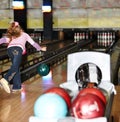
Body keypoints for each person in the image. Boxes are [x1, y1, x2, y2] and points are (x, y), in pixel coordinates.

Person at [0, 21, 46, 93]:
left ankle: (17, 86)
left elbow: (2, 40)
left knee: (16, 67)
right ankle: (5, 79)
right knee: (15, 67)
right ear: (20, 28)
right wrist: (40, 48)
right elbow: (33, 43)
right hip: (17, 50)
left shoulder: (12, 35)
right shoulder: (25, 34)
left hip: (9, 50)